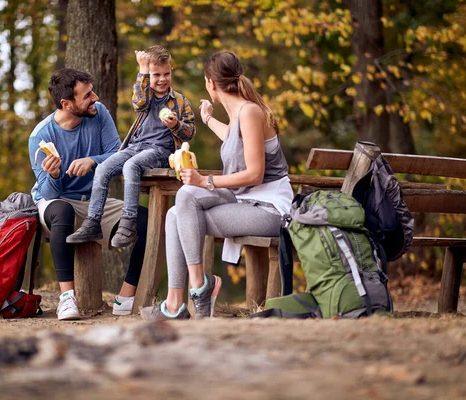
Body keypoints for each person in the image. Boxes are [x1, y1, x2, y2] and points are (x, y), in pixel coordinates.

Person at [141, 51, 294, 321]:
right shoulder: (240, 114)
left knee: (184, 206)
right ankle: (179, 300)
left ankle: (196, 290)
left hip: (269, 208)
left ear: (211, 83)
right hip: (244, 201)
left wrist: (205, 181)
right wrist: (209, 119)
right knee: (180, 205)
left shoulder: (250, 112)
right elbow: (234, 139)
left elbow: (255, 174)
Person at [29, 68, 149, 320]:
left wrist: (93, 161)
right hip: (56, 205)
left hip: (95, 203)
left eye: (92, 91)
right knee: (62, 209)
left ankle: (126, 296)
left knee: (149, 221)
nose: (95, 97)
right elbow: (50, 193)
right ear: (66, 103)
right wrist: (52, 175)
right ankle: (66, 299)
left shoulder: (99, 113)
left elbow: (118, 154)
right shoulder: (41, 136)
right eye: (87, 95)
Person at [65, 45, 195, 248]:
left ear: (171, 72)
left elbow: (190, 133)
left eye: (166, 74)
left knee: (131, 166)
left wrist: (176, 125)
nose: (162, 79)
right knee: (104, 167)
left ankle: (128, 224)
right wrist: (142, 71)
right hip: (136, 146)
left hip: (160, 150)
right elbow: (139, 103)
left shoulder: (180, 102)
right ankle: (93, 222)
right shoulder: (146, 95)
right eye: (156, 74)